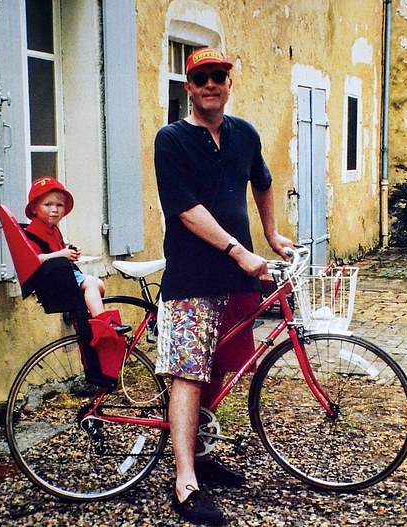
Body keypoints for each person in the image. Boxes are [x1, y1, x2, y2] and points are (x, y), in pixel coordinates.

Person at [154, 47, 294, 525]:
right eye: (202, 78)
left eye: (219, 76)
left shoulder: (246, 134)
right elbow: (186, 209)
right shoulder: (171, 140)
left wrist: (272, 235)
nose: (212, 84)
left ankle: (201, 453)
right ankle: (185, 483)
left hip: (238, 278)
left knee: (223, 368)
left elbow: (264, 182)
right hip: (192, 276)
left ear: (229, 83)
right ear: (189, 87)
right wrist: (239, 250)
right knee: (189, 374)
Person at [24, 176, 129, 333]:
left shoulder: (53, 229)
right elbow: (35, 259)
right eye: (48, 204)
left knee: (99, 285)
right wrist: (62, 254)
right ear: (34, 209)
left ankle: (91, 321)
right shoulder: (33, 232)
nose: (55, 209)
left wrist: (70, 250)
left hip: (63, 273)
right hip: (53, 279)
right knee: (92, 284)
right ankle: (103, 324)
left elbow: (58, 249)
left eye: (59, 205)